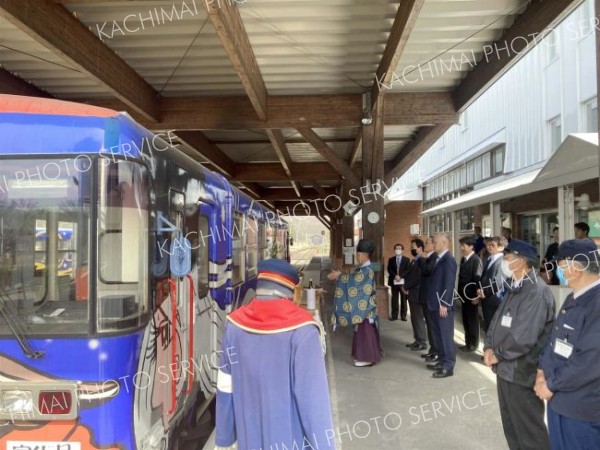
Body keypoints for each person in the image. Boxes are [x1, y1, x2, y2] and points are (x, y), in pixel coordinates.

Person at [215, 259, 334, 450]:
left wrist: (225, 438)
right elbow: (314, 401)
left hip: (248, 439)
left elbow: (225, 386)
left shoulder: (234, 326)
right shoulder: (303, 330)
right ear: (291, 291)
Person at [483, 239, 555, 450]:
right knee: (511, 426)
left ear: (521, 261)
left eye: (507, 259)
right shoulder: (516, 286)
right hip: (506, 370)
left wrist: (499, 354)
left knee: (528, 430)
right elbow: (497, 321)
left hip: (521, 372)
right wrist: (488, 346)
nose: (504, 262)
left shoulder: (535, 291)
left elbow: (524, 335)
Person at [536, 239, 600, 450]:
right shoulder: (575, 297)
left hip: (580, 408)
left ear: (576, 268)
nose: (559, 271)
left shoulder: (596, 303)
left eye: (561, 266)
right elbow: (555, 339)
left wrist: (551, 384)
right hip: (560, 401)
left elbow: (589, 360)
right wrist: (541, 371)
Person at [329, 239, 381, 367]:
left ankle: (368, 357)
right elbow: (354, 280)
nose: (357, 257)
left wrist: (340, 276)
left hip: (365, 308)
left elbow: (355, 283)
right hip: (364, 307)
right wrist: (341, 276)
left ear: (364, 255)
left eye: (358, 255)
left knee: (365, 333)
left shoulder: (367, 270)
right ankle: (364, 356)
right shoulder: (364, 268)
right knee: (363, 333)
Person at [425, 232, 458, 378]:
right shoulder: (439, 258)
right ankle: (442, 360)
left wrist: (444, 303)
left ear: (444, 243)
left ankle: (448, 366)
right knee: (438, 335)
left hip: (442, 305)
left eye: (436, 242)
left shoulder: (448, 260)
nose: (433, 244)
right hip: (434, 303)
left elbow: (449, 283)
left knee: (445, 336)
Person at [477, 236, 509, 332]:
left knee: (494, 329)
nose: (489, 247)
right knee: (488, 326)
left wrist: (485, 292)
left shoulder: (503, 261)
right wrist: (479, 290)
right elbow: (484, 276)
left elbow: (498, 283)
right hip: (486, 299)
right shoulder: (489, 258)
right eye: (489, 244)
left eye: (493, 245)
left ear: (501, 247)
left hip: (494, 300)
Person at [457, 236, 483, 352]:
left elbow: (478, 279)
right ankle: (467, 342)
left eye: (464, 245)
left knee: (472, 321)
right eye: (461, 245)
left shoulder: (476, 260)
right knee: (466, 320)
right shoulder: (464, 259)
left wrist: (476, 297)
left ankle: (474, 344)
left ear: (471, 246)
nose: (462, 248)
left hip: (471, 296)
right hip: (463, 296)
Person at [402, 238, 427, 351]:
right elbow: (408, 273)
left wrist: (406, 286)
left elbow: (417, 277)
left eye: (413, 247)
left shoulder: (422, 260)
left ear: (420, 248)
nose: (412, 249)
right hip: (412, 293)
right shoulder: (414, 260)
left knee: (418, 318)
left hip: (417, 293)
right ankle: (417, 340)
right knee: (414, 318)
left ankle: (422, 341)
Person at [417, 236, 439, 362]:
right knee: (429, 325)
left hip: (430, 296)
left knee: (432, 326)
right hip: (426, 295)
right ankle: (432, 350)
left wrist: (421, 259)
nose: (425, 245)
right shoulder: (429, 257)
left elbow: (427, 271)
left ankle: (436, 351)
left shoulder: (434, 257)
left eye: (428, 243)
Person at [387, 243, 409, 321]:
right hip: (394, 282)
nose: (398, 250)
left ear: (402, 250)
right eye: (396, 248)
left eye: (399, 248)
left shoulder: (407, 259)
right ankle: (394, 316)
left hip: (403, 283)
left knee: (403, 299)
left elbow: (407, 270)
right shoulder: (391, 259)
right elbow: (389, 269)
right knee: (394, 300)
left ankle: (403, 316)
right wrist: (395, 276)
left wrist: (400, 276)